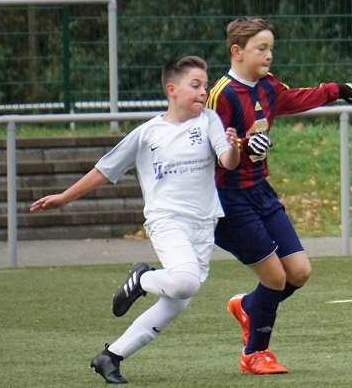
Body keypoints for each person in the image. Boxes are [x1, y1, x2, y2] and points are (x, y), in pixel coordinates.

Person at [30, 56, 240, 384]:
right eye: (195, 85)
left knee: (177, 301)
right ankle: (141, 279)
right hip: (167, 220)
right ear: (172, 90)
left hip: (203, 224)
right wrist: (64, 198)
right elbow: (105, 170)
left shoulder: (209, 120)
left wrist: (234, 148)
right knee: (184, 283)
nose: (203, 91)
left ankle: (110, 356)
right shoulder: (147, 134)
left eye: (205, 85)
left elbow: (227, 160)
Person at [206, 16, 352, 375]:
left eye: (270, 48)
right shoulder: (221, 95)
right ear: (237, 51)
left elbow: (293, 98)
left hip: (260, 192)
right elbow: (206, 150)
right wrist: (240, 146)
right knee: (275, 278)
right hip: (227, 199)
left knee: (299, 272)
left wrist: (335, 90)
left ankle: (248, 307)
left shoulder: (267, 86)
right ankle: (254, 354)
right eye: (261, 48)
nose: (269, 55)